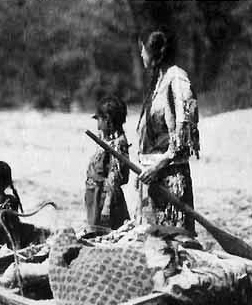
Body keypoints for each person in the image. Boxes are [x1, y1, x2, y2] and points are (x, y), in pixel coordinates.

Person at [136, 29, 200, 232]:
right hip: (151, 180)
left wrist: (157, 167)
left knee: (172, 248)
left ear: (153, 52)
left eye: (143, 50)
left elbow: (184, 137)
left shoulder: (177, 80)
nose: (141, 55)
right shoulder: (159, 81)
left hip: (169, 181)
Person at [84, 95, 130, 229]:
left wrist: (106, 207)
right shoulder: (105, 140)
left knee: (103, 231)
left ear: (108, 120)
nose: (98, 126)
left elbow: (114, 177)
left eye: (99, 120)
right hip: (95, 196)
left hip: (103, 199)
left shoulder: (118, 144)